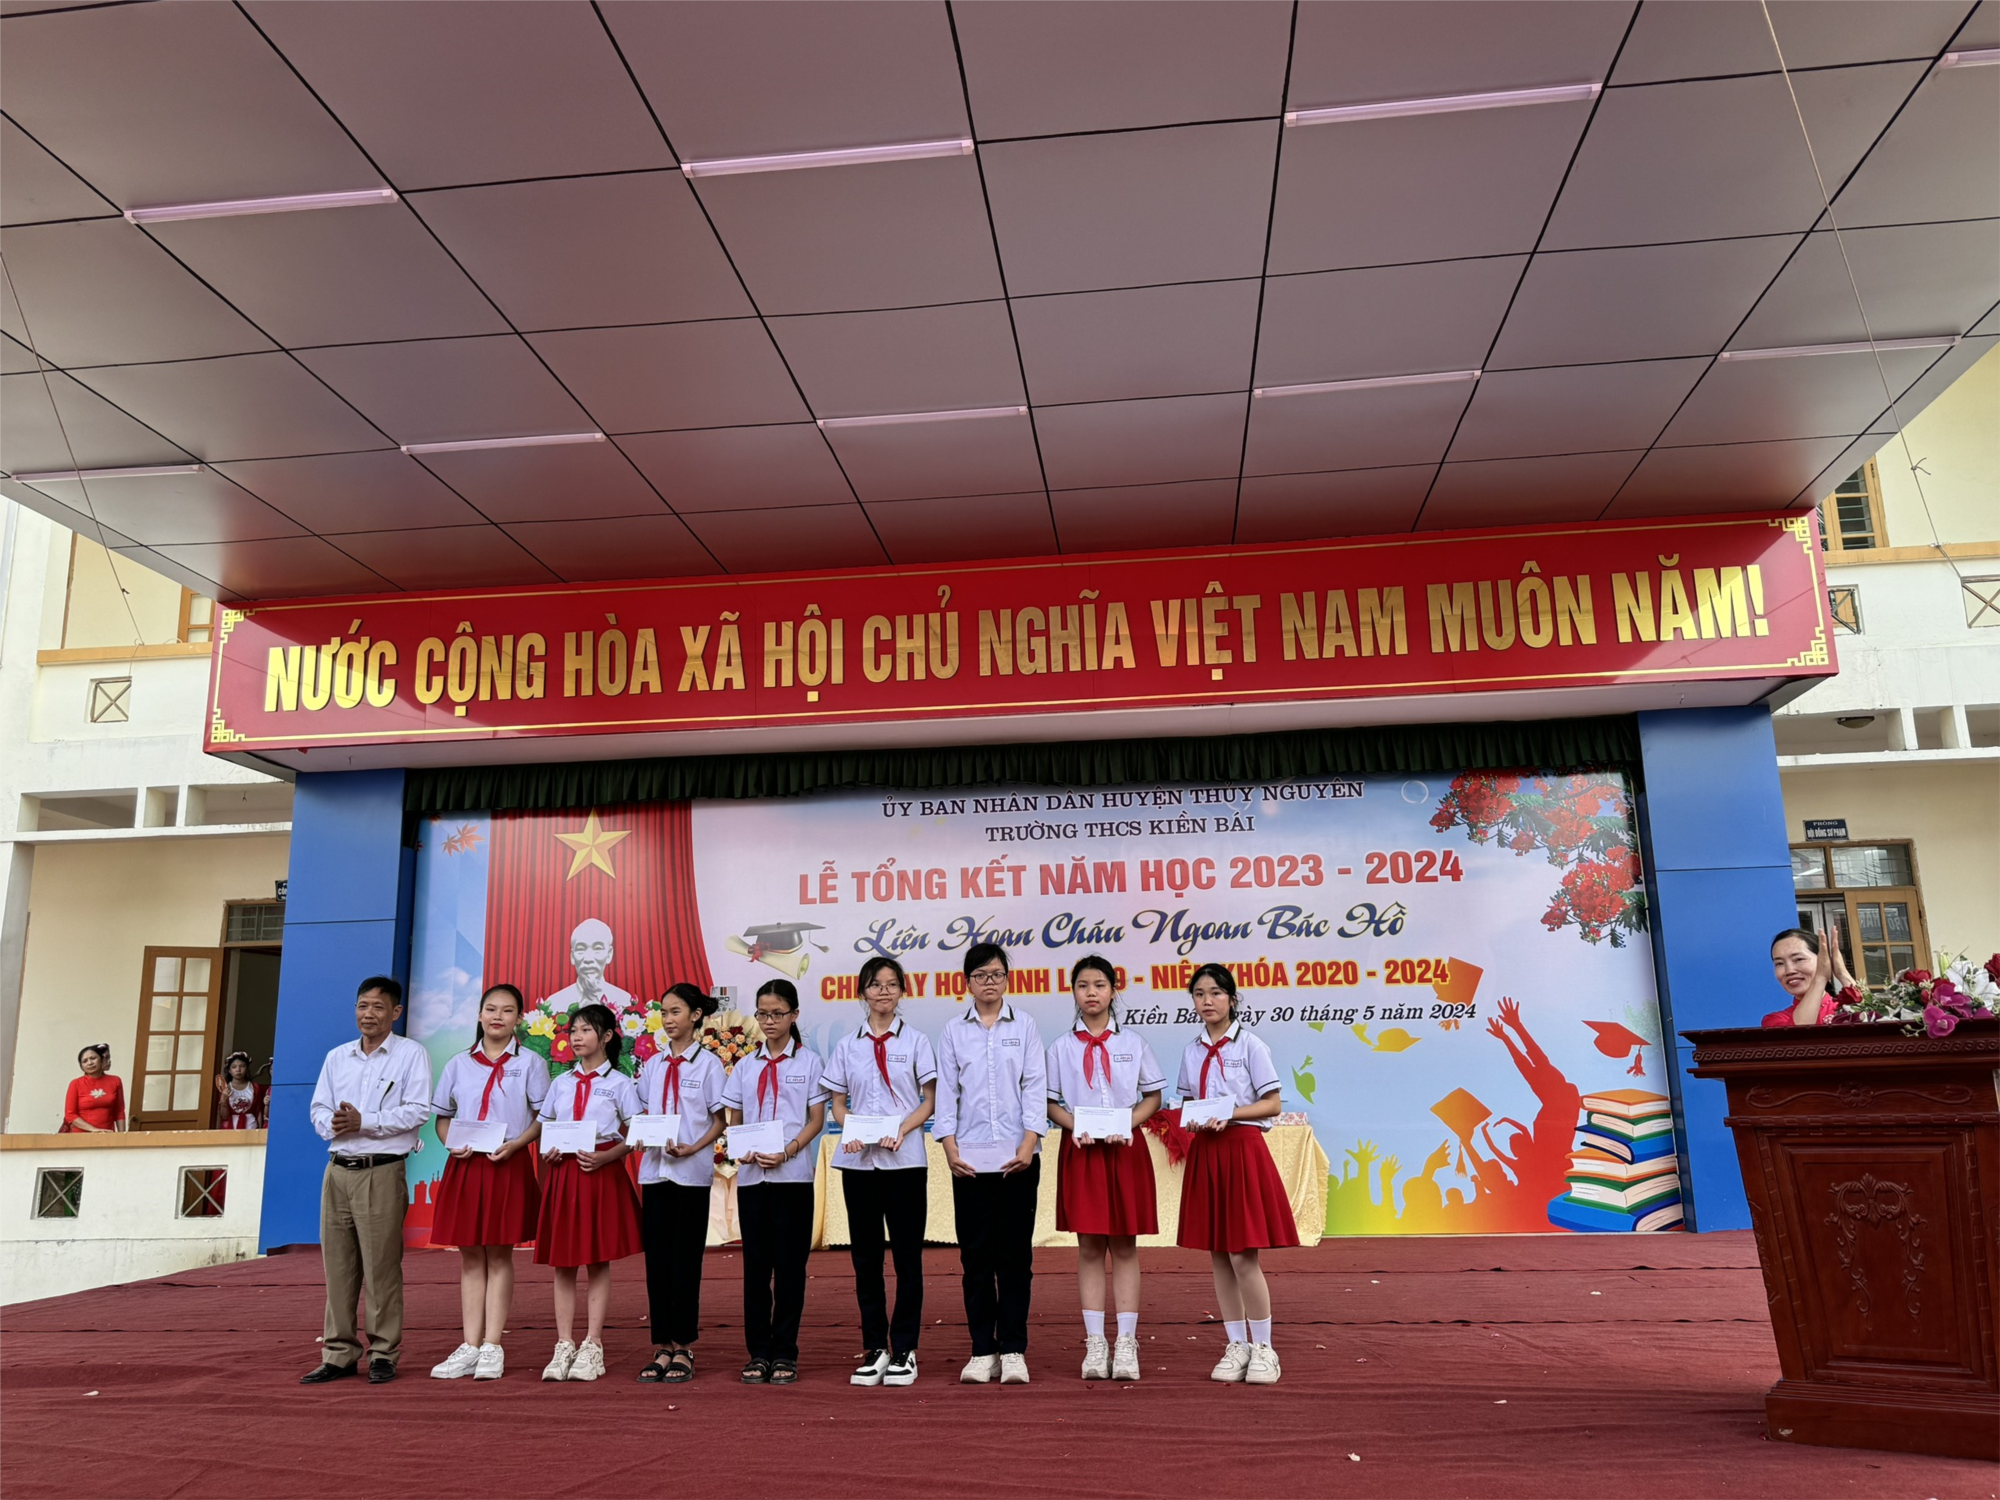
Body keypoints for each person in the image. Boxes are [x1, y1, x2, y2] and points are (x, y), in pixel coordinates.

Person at [299, 976, 434, 1386]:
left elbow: (418, 1110)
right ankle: (338, 1353)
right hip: (337, 1170)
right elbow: (318, 1108)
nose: (368, 1014)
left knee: (381, 1268)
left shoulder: (411, 1054)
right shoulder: (337, 1057)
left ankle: (383, 1353)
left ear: (396, 1012)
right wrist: (334, 1124)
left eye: (378, 1006)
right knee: (338, 1268)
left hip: (382, 1170)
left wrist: (365, 1121)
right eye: (362, 1005)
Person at [1176, 963, 1298, 1387]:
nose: (1207, 1001)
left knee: (1243, 1254)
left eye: (1215, 993)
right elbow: (1187, 1104)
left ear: (1231, 998)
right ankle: (1236, 1345)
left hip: (1242, 1148)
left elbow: (1272, 1104)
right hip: (1208, 1151)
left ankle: (1264, 1348)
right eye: (1199, 994)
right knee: (1218, 1254)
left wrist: (1228, 1113)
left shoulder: (1251, 1045)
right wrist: (1194, 1119)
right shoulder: (1191, 1051)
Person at [1045, 955, 1162, 1383]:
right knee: (1090, 1246)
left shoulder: (1134, 1043)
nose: (1091, 993)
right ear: (1073, 992)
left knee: (1125, 1245)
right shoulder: (1060, 1047)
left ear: (1114, 990)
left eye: (1099, 985)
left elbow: (1153, 1097)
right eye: (1082, 986)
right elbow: (1049, 1103)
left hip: (1124, 1149)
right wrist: (1076, 1125)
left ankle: (1126, 1341)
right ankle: (1096, 1343)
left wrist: (1125, 1123)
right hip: (1083, 1151)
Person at [823, 955, 938, 1389]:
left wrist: (901, 1130)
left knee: (908, 1259)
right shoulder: (847, 1046)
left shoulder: (918, 1041)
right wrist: (850, 1129)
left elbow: (929, 1101)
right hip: (859, 1164)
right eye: (875, 984)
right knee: (866, 1260)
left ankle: (905, 1349)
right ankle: (875, 1348)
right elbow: (837, 1102)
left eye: (891, 984)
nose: (883, 991)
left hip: (904, 1162)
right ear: (862, 992)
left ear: (902, 991)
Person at [935, 942, 1045, 1386]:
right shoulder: (953, 1031)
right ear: (967, 982)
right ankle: (983, 1349)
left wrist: (1030, 1142)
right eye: (980, 975)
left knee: (1015, 1256)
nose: (989, 982)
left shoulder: (1026, 1025)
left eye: (996, 974)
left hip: (1019, 1158)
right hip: (969, 1162)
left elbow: (1035, 1085)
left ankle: (1014, 1348)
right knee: (976, 1256)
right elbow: (947, 1093)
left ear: (1006, 978)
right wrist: (949, 1147)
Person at [427, 984, 548, 1382]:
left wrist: (517, 1145)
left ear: (519, 1019)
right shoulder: (458, 1064)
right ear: (479, 1015)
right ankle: (469, 1345)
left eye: (507, 1010)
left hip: (507, 1163)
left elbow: (543, 1117)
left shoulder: (530, 1063)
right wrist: (451, 1144)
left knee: (499, 1254)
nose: (498, 1016)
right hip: (466, 1166)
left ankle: (493, 1345)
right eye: (491, 1009)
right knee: (470, 1256)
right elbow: (442, 1118)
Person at [719, 979, 826, 1385]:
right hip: (752, 1181)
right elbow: (735, 1117)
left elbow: (816, 1119)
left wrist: (789, 1150)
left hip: (792, 1178)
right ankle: (758, 1352)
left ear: (794, 1015)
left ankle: (785, 1352)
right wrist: (740, 1146)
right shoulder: (746, 1065)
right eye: (762, 1014)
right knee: (755, 1269)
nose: (769, 1021)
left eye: (777, 1013)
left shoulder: (809, 1063)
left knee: (790, 1269)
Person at [534, 1003, 640, 1383]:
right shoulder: (560, 1083)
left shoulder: (621, 1084)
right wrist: (548, 1151)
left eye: (585, 1031)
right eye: (573, 1031)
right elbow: (546, 1128)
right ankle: (564, 1343)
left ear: (607, 1036)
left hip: (600, 1173)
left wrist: (607, 1157)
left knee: (597, 1259)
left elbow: (636, 1134)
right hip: (564, 1174)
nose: (576, 1038)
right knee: (563, 1261)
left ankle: (593, 1344)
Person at [634, 983, 728, 1384]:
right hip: (655, 1173)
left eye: (675, 1012)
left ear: (696, 1016)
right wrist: (640, 1135)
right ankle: (662, 1345)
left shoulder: (709, 1066)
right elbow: (642, 1112)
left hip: (690, 1175)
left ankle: (684, 1346)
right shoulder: (653, 1065)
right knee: (656, 1262)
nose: (668, 1020)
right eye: (664, 1013)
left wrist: (694, 1148)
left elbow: (720, 1121)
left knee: (686, 1261)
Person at [1764, 925, 1862, 1027]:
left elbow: (1871, 1020)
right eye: (1779, 963)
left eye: (1799, 959)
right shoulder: (1775, 1020)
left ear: (1823, 960)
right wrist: (1821, 978)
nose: (1789, 971)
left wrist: (1842, 973)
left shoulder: (1846, 1009)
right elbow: (1798, 1033)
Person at [539, 917, 634, 1014]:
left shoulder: (625, 1002)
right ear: (572, 956)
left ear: (609, 954)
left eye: (597, 948)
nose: (588, 959)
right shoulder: (554, 1005)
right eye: (581, 949)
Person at [62, 1044, 125, 1133]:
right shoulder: (75, 1084)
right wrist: (94, 1130)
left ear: (101, 1060)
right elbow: (70, 1115)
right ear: (81, 1066)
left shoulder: (115, 1081)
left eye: (93, 1058)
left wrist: (122, 1135)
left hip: (108, 1134)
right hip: (81, 1135)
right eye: (85, 1061)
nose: (90, 1063)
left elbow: (119, 1112)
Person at [214, 1052, 267, 1131]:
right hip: (230, 1128)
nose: (238, 1070)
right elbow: (224, 1117)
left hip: (251, 1127)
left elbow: (259, 1111)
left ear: (247, 1069)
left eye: (242, 1066)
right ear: (229, 1070)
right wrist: (223, 1101)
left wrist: (260, 1130)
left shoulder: (255, 1087)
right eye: (234, 1067)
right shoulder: (225, 1088)